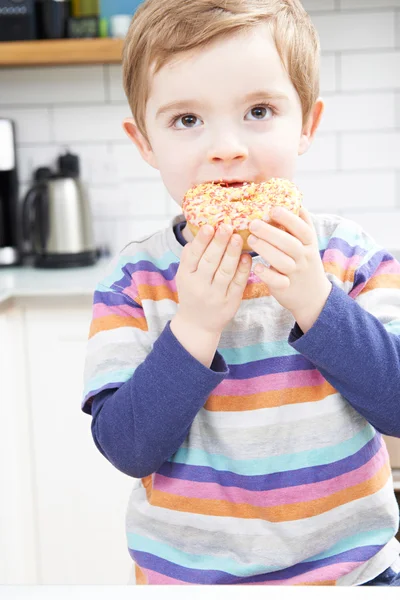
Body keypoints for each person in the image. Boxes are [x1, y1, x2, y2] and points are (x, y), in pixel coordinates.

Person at [81, 0, 400, 586]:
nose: (226, 147)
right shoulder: (135, 281)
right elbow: (127, 448)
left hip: (353, 576)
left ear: (306, 123)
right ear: (144, 141)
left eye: (259, 110)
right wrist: (195, 328)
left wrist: (316, 301)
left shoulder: (349, 256)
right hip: (188, 583)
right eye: (186, 120)